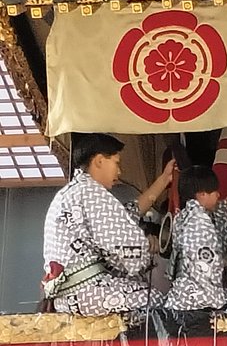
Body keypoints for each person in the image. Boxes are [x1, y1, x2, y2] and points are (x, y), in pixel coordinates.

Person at [41, 133, 173, 317]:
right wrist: (148, 246)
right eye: (117, 163)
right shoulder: (91, 193)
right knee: (158, 299)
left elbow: (127, 215)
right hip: (86, 290)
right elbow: (126, 247)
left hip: (70, 292)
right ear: (99, 161)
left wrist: (164, 179)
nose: (119, 172)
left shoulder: (74, 191)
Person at [165, 167, 227, 312]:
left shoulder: (182, 218)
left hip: (180, 292)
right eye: (214, 192)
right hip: (198, 297)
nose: (218, 195)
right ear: (202, 194)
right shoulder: (200, 221)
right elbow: (206, 264)